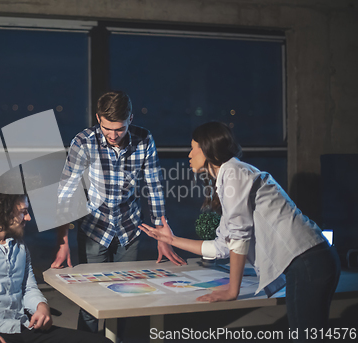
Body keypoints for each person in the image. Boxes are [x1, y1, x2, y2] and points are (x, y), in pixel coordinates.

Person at [140, 121, 341, 341]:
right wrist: (171, 239)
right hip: (312, 260)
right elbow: (222, 247)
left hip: (308, 261)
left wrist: (231, 291)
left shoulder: (234, 172)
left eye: (193, 148)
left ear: (207, 150)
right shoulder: (231, 176)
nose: (189, 154)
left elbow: (239, 235)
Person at [51, 91, 186, 336]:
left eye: (120, 129)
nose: (113, 136)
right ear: (97, 118)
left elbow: (153, 187)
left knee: (126, 300)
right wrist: (62, 242)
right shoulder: (83, 142)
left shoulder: (144, 139)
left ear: (130, 119)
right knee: (91, 302)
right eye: (107, 128)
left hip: (129, 227)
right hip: (94, 228)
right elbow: (66, 193)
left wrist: (163, 235)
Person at [0, 178, 111, 343]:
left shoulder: (20, 246)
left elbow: (28, 288)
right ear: (3, 211)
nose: (28, 218)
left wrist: (41, 306)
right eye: (23, 212)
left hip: (21, 327)